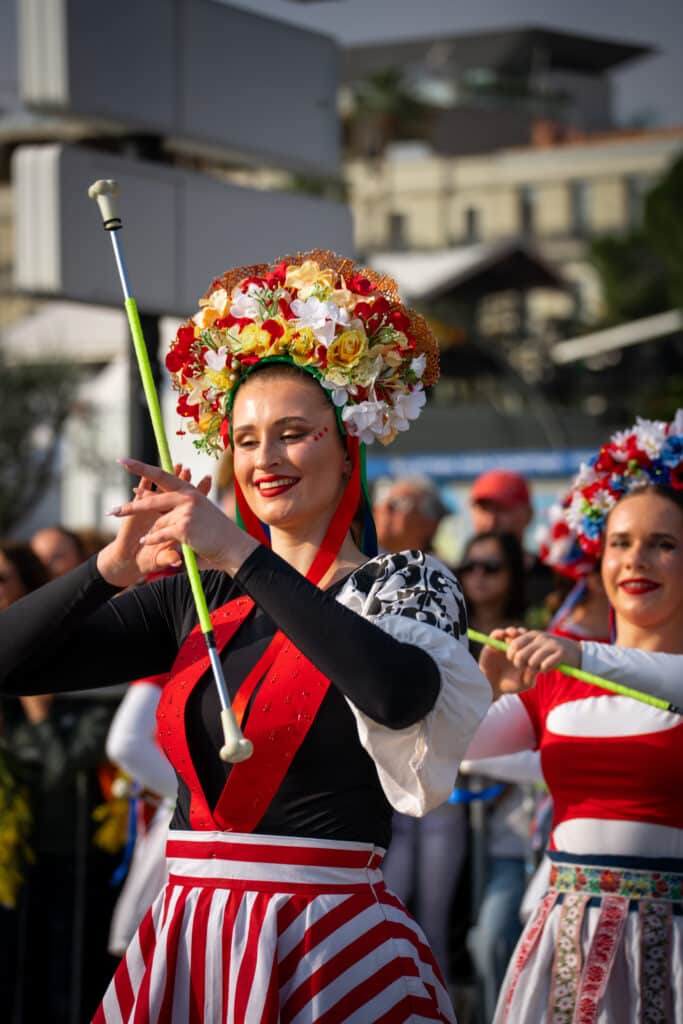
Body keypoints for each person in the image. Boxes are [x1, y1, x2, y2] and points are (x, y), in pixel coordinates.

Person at [0, 252, 491, 1023]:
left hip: (328, 946)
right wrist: (108, 568)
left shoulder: (406, 583)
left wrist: (239, 552)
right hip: (190, 939)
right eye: (247, 438)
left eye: (293, 434)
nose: (265, 459)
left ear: (347, 447)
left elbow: (398, 696)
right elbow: (10, 665)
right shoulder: (195, 597)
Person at [465, 410, 683, 1023]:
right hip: (566, 941)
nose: (636, 560)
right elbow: (456, 749)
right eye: (620, 543)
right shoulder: (560, 679)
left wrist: (582, 653)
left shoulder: (578, 659)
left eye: (663, 545)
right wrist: (482, 686)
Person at [0, 542, 118, 1024]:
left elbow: (60, 769)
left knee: (56, 981)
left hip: (63, 857)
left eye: (1, 579)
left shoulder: (76, 669)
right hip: (15, 861)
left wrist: (40, 716)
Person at [374, 475, 464, 992]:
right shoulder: (362, 572)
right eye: (384, 504)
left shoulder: (442, 579)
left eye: (398, 505)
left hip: (433, 767)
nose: (386, 513)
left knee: (429, 922)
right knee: (386, 911)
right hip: (380, 769)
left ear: (427, 519)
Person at [455, 531, 531, 1021]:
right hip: (449, 823)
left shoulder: (532, 640)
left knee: (493, 937)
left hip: (511, 830)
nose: (478, 577)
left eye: (492, 567)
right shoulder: (446, 633)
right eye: (470, 567)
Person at [469, 470, 553, 610]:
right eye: (484, 510)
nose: (491, 522)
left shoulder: (553, 580)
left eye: (502, 510)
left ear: (528, 514)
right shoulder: (454, 578)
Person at [373, 475, 446, 554]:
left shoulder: (435, 562)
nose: (385, 508)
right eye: (381, 501)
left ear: (429, 523)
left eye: (399, 502)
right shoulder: (364, 558)